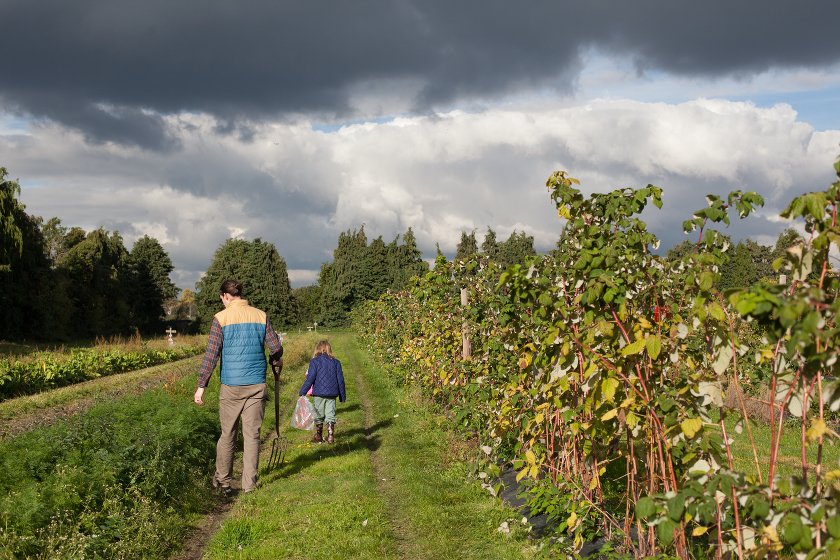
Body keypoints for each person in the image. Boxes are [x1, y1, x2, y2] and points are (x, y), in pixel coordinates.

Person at [193, 279, 283, 495]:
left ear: (226, 296)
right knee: (252, 436)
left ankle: (223, 482)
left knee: (228, 435)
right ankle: (249, 486)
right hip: (256, 385)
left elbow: (211, 355)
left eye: (221, 299)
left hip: (231, 386)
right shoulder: (261, 315)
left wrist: (201, 386)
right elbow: (275, 348)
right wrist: (276, 361)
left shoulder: (221, 318)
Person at [299, 340, 346, 444]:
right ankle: (330, 436)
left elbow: (310, 378)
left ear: (317, 349)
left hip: (319, 393)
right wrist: (342, 396)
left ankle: (319, 436)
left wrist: (303, 391)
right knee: (330, 415)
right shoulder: (336, 362)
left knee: (319, 414)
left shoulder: (314, 362)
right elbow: (340, 380)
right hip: (332, 393)